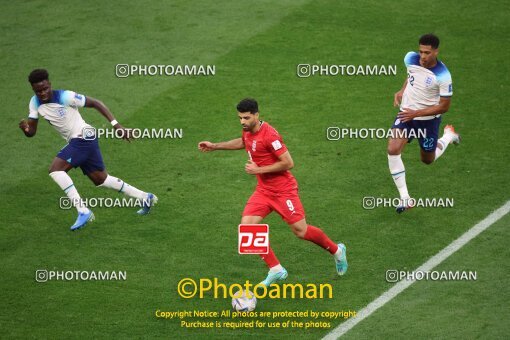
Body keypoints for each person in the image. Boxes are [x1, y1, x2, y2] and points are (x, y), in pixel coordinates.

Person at [198, 98, 347, 286]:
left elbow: (288, 163)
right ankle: (276, 269)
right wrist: (215, 146)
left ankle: (337, 251)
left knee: (301, 231)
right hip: (263, 191)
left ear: (256, 115)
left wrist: (258, 170)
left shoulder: (270, 136)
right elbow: (244, 142)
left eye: (246, 118)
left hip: (284, 191)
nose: (242, 122)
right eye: (239, 118)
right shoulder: (248, 132)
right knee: (247, 228)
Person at [19, 69, 157, 231]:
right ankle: (145, 197)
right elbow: (32, 132)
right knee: (101, 179)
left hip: (83, 137)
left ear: (50, 84)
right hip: (80, 140)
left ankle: (83, 211)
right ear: (33, 90)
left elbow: (96, 103)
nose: (42, 93)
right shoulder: (34, 103)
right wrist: (25, 129)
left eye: (45, 88)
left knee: (55, 170)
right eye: (38, 91)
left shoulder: (66, 96)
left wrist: (117, 126)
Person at [388, 34, 460, 213]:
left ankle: (448, 136)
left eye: (427, 52)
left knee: (427, 159)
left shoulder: (443, 75)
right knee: (393, 149)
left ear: (436, 51)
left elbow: (444, 106)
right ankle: (405, 198)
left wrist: (417, 113)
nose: (423, 56)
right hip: (406, 115)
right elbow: (411, 76)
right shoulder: (410, 58)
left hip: (428, 123)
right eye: (421, 51)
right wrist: (402, 90)